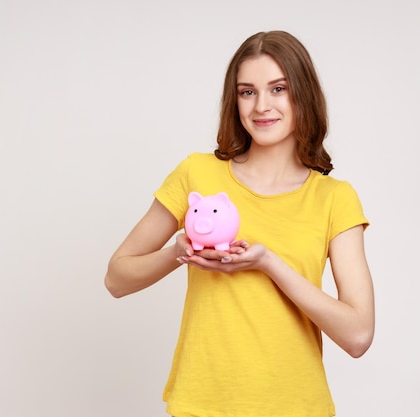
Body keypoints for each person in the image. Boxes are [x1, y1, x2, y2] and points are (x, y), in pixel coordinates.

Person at [105, 30, 375, 417]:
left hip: (297, 407)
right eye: (247, 92)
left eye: (278, 89)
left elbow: (358, 336)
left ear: (303, 94)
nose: (261, 105)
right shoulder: (196, 174)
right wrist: (176, 253)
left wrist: (270, 264)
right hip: (202, 406)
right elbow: (116, 278)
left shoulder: (334, 198)